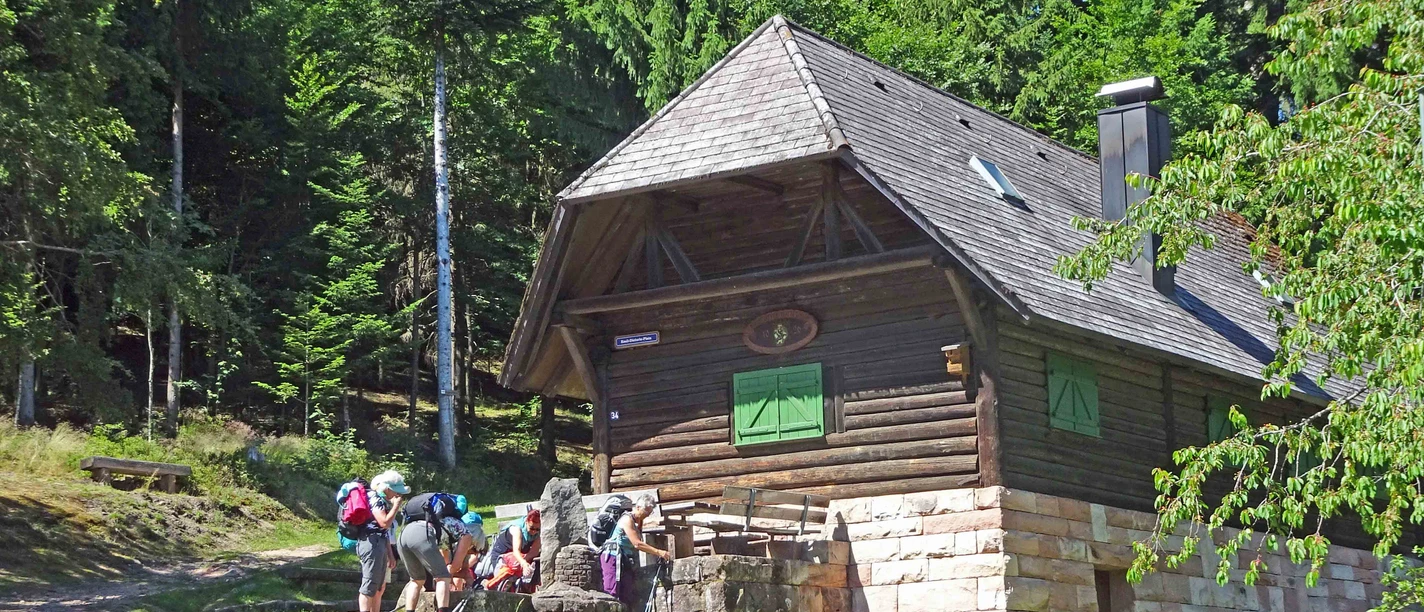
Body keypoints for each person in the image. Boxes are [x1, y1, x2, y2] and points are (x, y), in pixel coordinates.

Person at [397, 492, 477, 612]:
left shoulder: (434, 519)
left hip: (404, 534)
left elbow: (443, 553)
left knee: (416, 580)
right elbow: (457, 562)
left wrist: (447, 567)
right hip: (422, 534)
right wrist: (453, 567)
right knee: (442, 577)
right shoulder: (457, 524)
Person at [599, 494, 670, 607]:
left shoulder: (638, 521)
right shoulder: (627, 519)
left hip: (625, 559)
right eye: (646, 511)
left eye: (649, 512)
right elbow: (637, 543)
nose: (647, 515)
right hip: (612, 556)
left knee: (626, 594)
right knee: (612, 591)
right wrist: (659, 552)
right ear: (638, 507)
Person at [357, 471, 408, 612]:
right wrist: (396, 506)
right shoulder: (375, 498)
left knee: (378, 586)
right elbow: (384, 523)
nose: (397, 495)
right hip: (370, 543)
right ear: (387, 488)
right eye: (395, 491)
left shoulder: (381, 500)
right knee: (369, 585)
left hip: (378, 543)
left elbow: (383, 531)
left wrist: (390, 555)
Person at [482, 508, 541, 592]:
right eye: (531, 528)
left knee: (529, 564)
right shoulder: (517, 529)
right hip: (503, 554)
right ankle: (491, 584)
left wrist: (525, 563)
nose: (534, 532)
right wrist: (523, 564)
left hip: (521, 555)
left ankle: (527, 587)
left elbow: (534, 552)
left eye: (537, 529)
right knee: (514, 565)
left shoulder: (539, 532)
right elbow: (516, 551)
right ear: (526, 522)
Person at [449, 512, 487, 591]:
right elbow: (448, 571)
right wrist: (451, 581)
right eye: (474, 549)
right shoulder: (452, 547)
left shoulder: (467, 550)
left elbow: (464, 571)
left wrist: (471, 584)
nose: (474, 553)